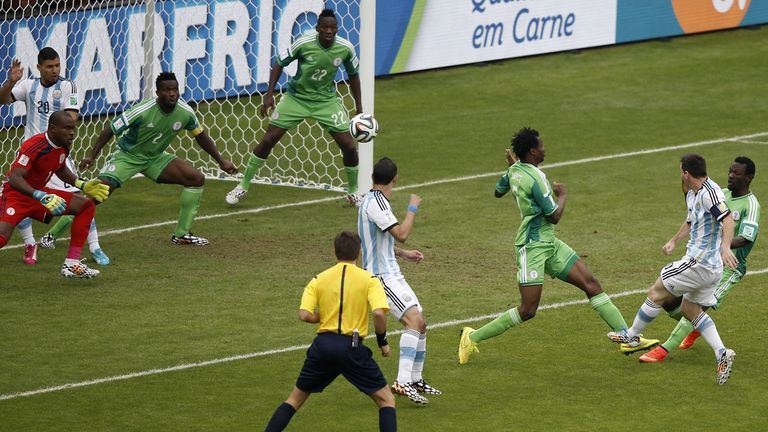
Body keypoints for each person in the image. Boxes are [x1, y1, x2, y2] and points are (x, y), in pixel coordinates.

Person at [458, 127, 658, 365]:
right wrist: (562, 195)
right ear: (532, 151)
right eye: (541, 145)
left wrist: (513, 167)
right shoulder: (536, 177)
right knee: (528, 310)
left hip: (549, 243)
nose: (544, 148)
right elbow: (553, 215)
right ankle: (472, 337)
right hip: (532, 247)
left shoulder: (515, 171)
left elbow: (498, 191)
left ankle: (629, 337)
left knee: (591, 284)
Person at [607, 154, 739, 384]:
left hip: (700, 263)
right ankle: (721, 353)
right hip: (710, 269)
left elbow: (727, 219)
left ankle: (633, 335)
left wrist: (726, 246)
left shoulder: (710, 193)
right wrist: (674, 240)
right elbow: (691, 221)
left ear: (686, 173)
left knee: (656, 292)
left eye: (681, 171)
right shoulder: (694, 193)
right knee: (690, 309)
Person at [80, 72, 237, 246]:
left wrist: (221, 161)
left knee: (196, 179)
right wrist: (91, 156)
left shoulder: (185, 112)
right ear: (158, 92)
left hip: (154, 158)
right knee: (99, 192)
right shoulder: (142, 110)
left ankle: (181, 234)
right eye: (167, 90)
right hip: (127, 157)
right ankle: (53, 235)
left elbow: (200, 136)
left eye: (175, 89)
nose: (172, 93)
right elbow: (110, 129)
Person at [226, 8, 363, 207]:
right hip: (296, 98)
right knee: (269, 139)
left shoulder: (346, 48)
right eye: (324, 27)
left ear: (337, 28)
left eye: (333, 27)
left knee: (349, 146)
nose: (329, 31)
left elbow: (353, 76)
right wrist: (269, 94)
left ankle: (352, 192)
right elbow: (279, 64)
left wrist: (359, 108)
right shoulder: (304, 43)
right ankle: (242, 185)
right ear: (317, 28)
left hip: (326, 102)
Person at [264, 231, 397, 432]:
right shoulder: (369, 280)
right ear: (359, 253)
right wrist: (382, 342)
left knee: (294, 400)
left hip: (322, 346)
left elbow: (304, 314)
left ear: (334, 252)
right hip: (351, 347)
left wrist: (323, 316)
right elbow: (379, 313)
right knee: (386, 400)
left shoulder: (318, 279)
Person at [639, 156, 759, 363]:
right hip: (704, 262)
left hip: (729, 269)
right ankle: (698, 326)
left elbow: (747, 238)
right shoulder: (719, 194)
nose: (731, 175)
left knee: (694, 308)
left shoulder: (751, 204)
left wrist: (722, 246)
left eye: (737, 173)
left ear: (749, 177)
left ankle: (664, 349)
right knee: (669, 301)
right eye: (730, 170)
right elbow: (695, 215)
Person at [0, 47, 109, 265]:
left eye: (57, 65)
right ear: (39, 67)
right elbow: (3, 100)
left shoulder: (68, 86)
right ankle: (30, 244)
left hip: (56, 154)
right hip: (31, 155)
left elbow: (70, 119)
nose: (54, 70)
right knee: (22, 197)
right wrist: (11, 82)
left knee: (81, 200)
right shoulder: (28, 85)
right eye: (49, 67)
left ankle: (94, 246)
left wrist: (57, 138)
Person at [358, 157, 440, 405]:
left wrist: (403, 254)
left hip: (391, 271)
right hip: (381, 277)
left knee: (421, 323)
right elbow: (401, 234)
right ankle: (401, 382)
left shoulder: (376, 201)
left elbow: (377, 243)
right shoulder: (376, 204)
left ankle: (415, 379)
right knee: (413, 321)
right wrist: (412, 208)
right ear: (395, 178)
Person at [0, 111, 109, 278]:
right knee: (2, 238)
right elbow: (15, 178)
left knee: (86, 206)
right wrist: (40, 195)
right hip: (15, 196)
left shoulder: (64, 144)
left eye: (73, 128)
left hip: (39, 195)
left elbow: (60, 167)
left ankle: (71, 264)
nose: (72, 132)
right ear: (53, 129)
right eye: (67, 128)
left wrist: (82, 184)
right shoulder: (34, 145)